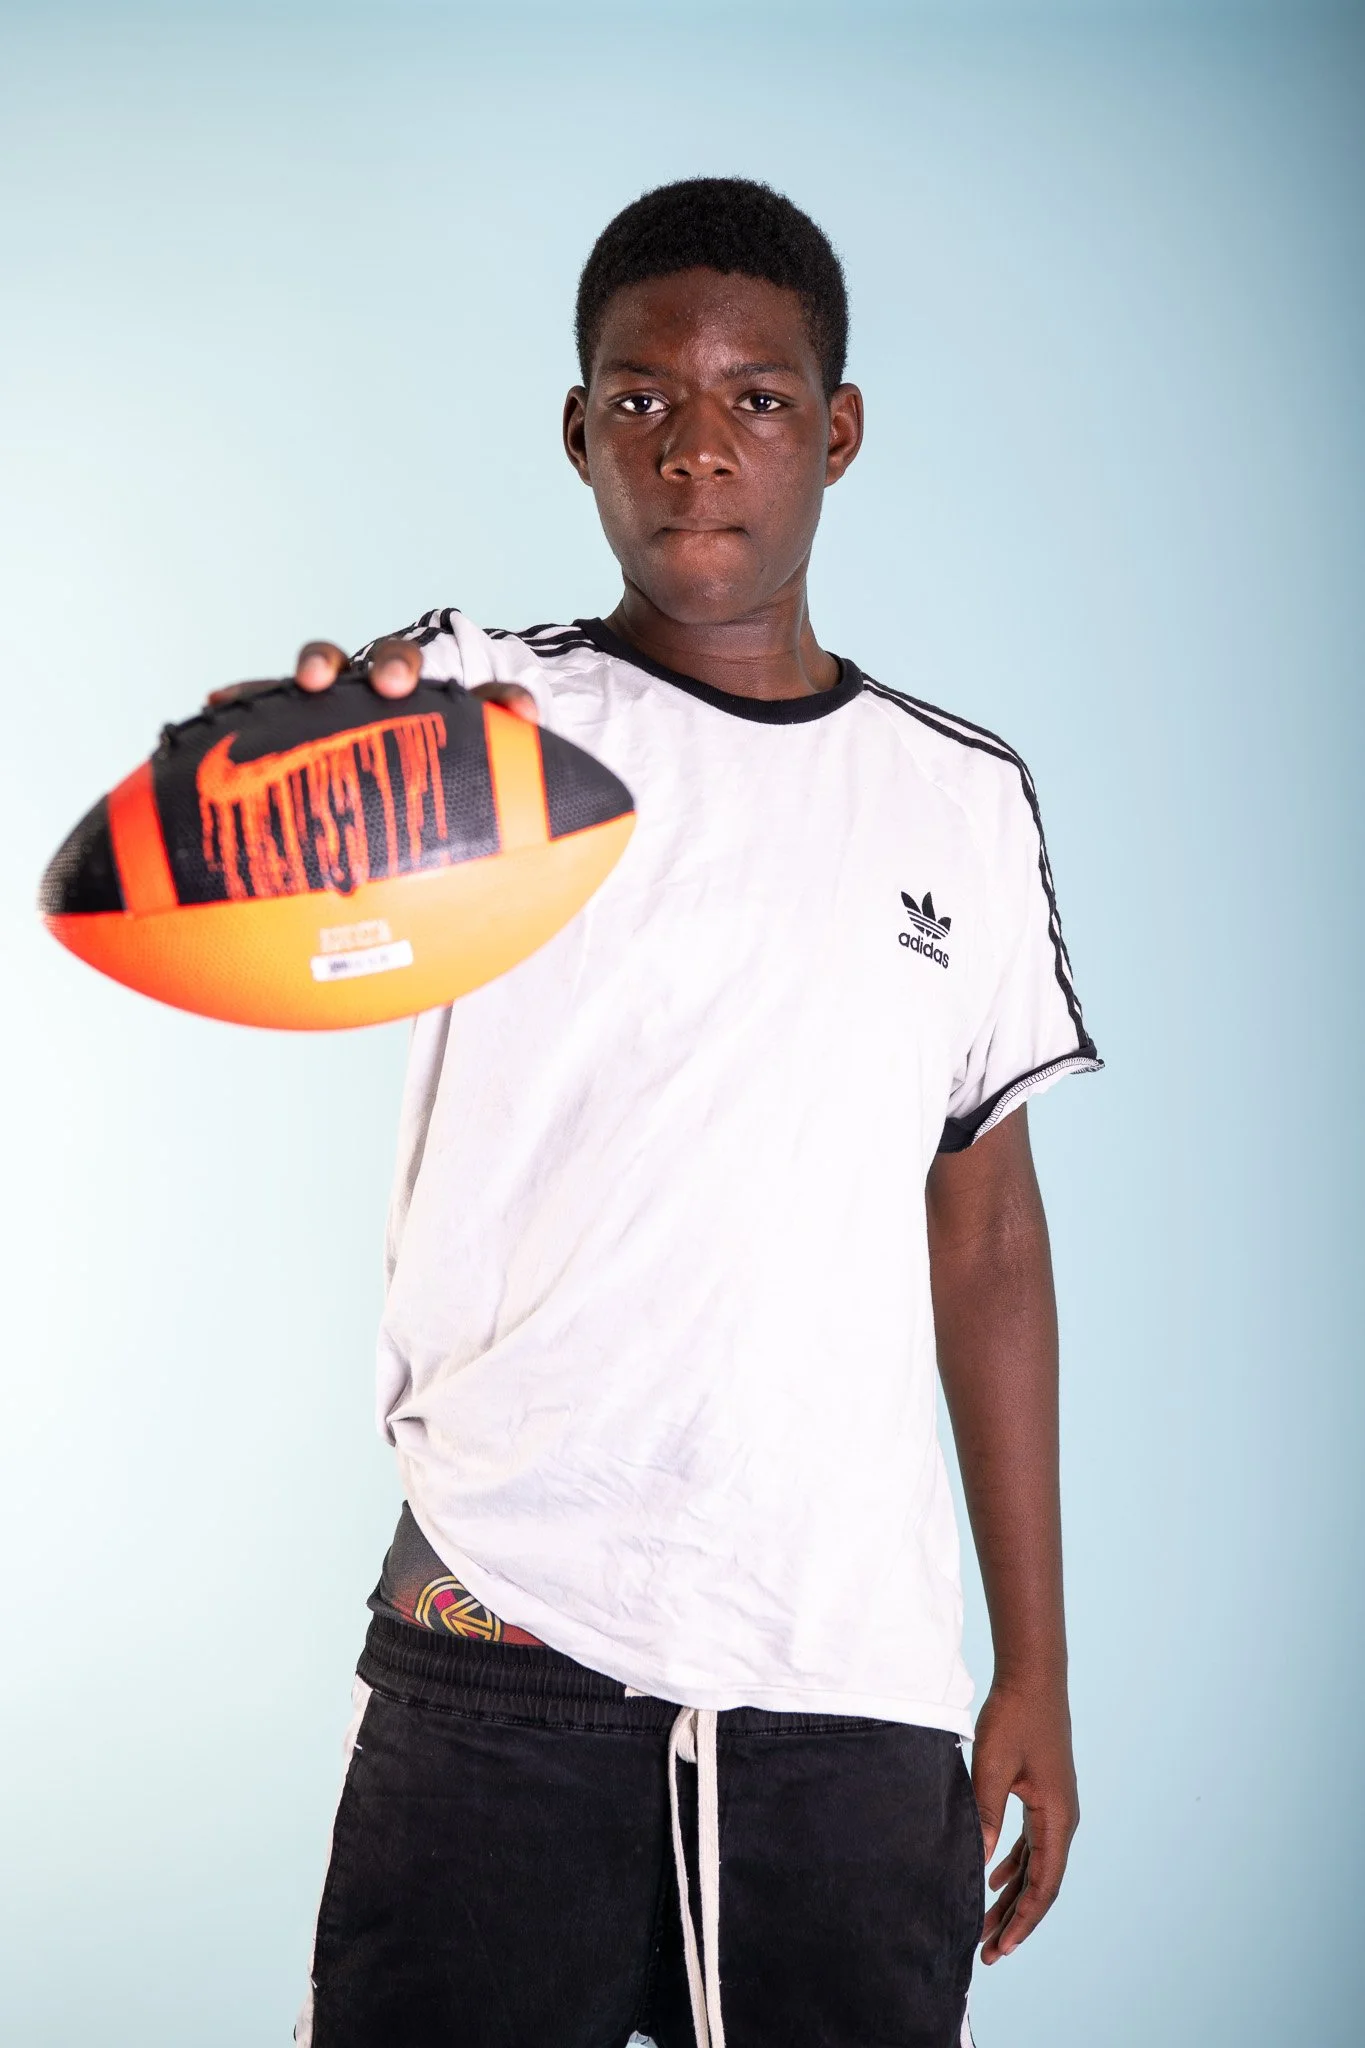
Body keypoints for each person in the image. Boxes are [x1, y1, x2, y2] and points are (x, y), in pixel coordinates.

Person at [231, 177, 1101, 2048]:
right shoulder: (487, 714)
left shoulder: (961, 799)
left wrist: (1031, 1661)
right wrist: (287, 757)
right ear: (580, 432)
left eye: (757, 400)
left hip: (845, 1683)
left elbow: (992, 1228)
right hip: (507, 1644)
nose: (699, 451)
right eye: (644, 401)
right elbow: (300, 812)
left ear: (838, 430)